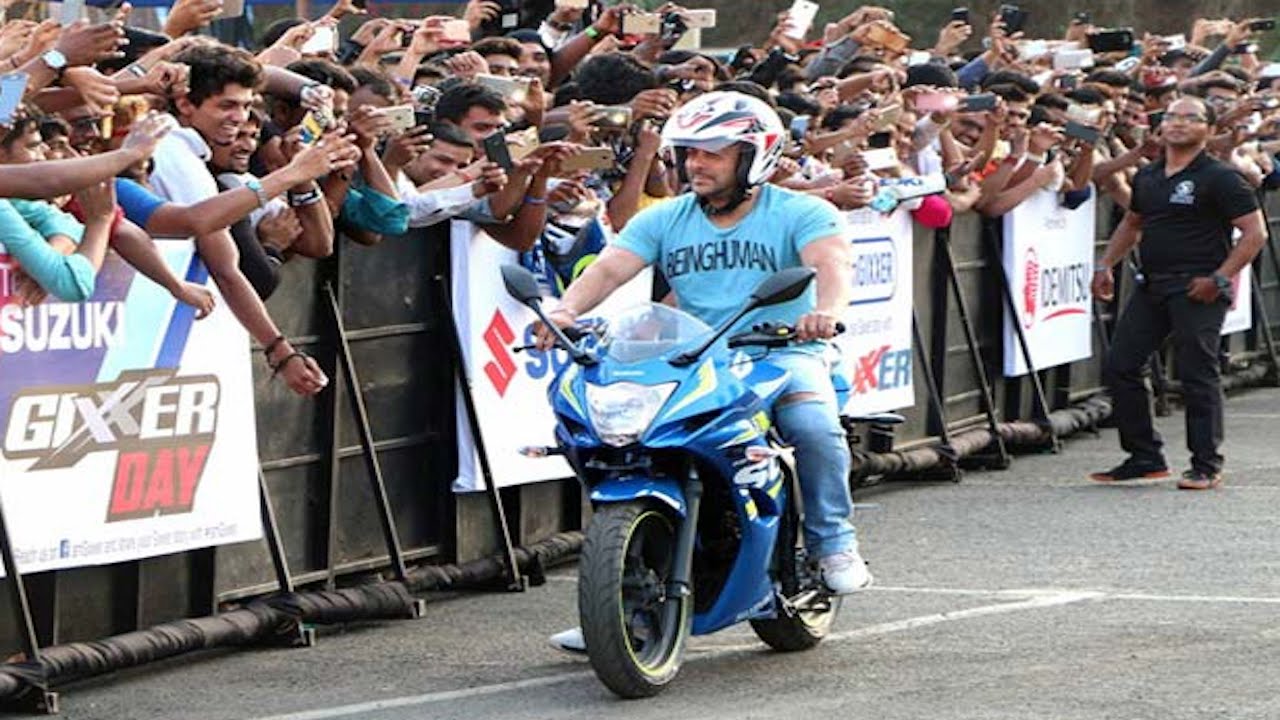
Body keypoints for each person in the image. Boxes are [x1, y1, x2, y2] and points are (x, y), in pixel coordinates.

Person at [535, 91, 869, 652]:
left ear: (754, 156)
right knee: (618, 441)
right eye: (689, 153)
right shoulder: (666, 217)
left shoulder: (803, 211)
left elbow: (830, 264)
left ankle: (832, 539)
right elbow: (614, 268)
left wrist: (827, 315)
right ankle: (616, 600)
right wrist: (566, 310)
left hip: (782, 351)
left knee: (811, 428)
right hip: (697, 358)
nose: (697, 164)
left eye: (713, 153)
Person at [1090, 96, 1268, 490]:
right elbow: (1133, 223)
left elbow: (1255, 234)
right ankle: (1144, 455)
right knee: (1121, 363)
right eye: (1172, 117)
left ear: (1208, 128)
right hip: (1152, 283)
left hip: (1198, 285)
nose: (1178, 124)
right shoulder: (1149, 176)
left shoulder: (1220, 177)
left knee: (1196, 372)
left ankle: (1206, 463)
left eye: (1190, 118)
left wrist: (1219, 279)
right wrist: (1107, 264)